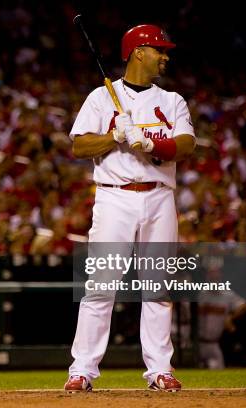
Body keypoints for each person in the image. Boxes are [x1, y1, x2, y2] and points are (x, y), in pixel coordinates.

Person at [64, 25, 196, 392]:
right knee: (101, 284)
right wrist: (115, 136)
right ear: (139, 52)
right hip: (114, 196)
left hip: (159, 197)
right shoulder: (101, 98)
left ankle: (159, 370)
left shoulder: (172, 101)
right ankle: (82, 370)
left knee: (158, 287)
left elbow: (185, 145)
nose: (165, 56)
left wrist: (150, 143)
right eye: (159, 49)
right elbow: (79, 147)